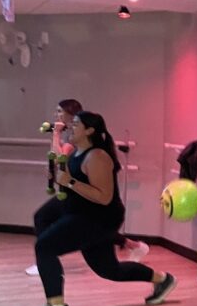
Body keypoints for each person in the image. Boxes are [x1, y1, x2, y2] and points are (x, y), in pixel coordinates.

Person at [23, 111, 175, 306]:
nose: (71, 126)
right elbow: (63, 167)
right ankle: (162, 279)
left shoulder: (98, 157)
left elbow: (104, 197)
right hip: (83, 215)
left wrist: (70, 183)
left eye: (76, 124)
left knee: (45, 246)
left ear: (90, 130)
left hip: (97, 219)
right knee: (109, 270)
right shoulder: (77, 152)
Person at [25, 99, 149, 276]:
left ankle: (46, 256)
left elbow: (63, 157)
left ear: (71, 114)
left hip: (83, 194)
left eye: (60, 112)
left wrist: (55, 135)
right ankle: (132, 245)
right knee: (47, 217)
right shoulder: (72, 133)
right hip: (76, 192)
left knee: (48, 218)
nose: (56, 115)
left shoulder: (78, 136)